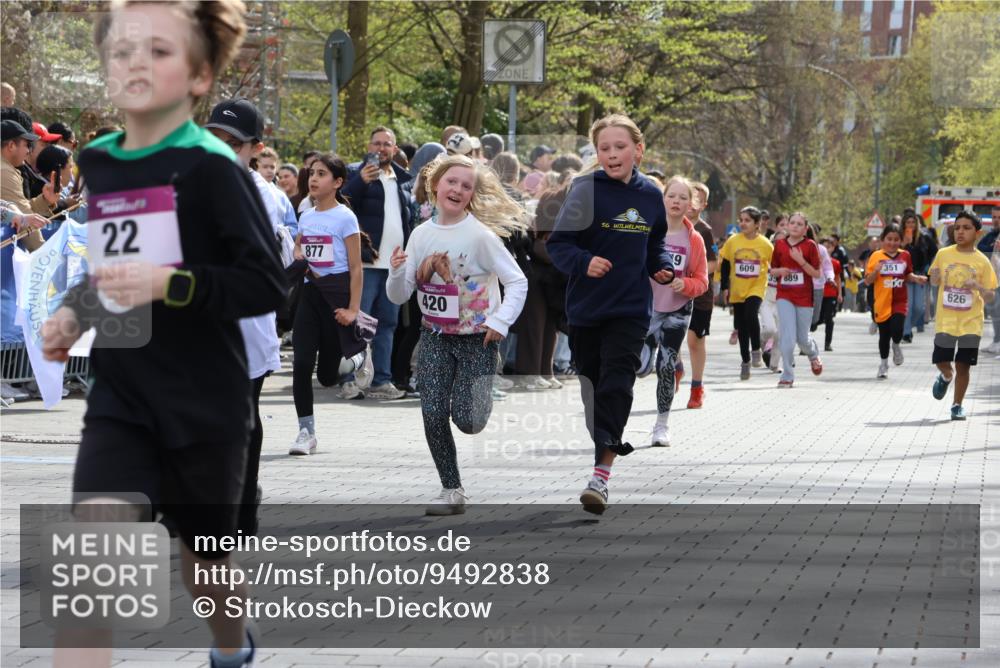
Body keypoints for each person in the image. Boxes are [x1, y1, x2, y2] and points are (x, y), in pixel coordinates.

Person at [41, 4, 284, 668]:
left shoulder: (213, 168)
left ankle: (231, 649)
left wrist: (170, 285)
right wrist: (75, 310)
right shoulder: (102, 161)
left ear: (200, 77)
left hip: (206, 406)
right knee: (94, 548)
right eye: (122, 51)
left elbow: (265, 285)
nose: (135, 64)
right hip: (122, 397)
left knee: (205, 566)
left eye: (158, 51)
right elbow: (116, 271)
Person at [546, 113, 674, 515]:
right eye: (605, 148)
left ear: (639, 150)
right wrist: (585, 262)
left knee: (618, 383)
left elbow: (655, 243)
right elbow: (559, 245)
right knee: (594, 389)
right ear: (597, 153)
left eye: (621, 147)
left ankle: (601, 474)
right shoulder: (585, 190)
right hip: (587, 307)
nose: (613, 154)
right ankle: (602, 449)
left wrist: (662, 264)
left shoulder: (652, 195)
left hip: (631, 307)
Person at [386, 154, 528, 515]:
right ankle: (452, 490)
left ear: (471, 195)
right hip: (433, 336)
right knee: (432, 412)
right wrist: (395, 272)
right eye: (452, 182)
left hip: (477, 339)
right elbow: (400, 295)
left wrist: (500, 321)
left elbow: (517, 281)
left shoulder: (479, 236)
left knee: (468, 420)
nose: (458, 189)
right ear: (436, 185)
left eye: (467, 186)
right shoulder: (420, 234)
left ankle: (480, 399)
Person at [203, 97, 285, 536]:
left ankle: (243, 508)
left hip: (245, 323)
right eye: (214, 137)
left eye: (232, 141)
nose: (221, 146)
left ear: (255, 147)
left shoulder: (263, 195)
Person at [289, 153, 372, 454]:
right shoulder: (306, 215)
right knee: (300, 363)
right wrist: (298, 253)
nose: (313, 178)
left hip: (336, 296)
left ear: (337, 182)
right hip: (311, 295)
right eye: (312, 172)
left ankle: (359, 356)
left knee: (326, 376)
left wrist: (353, 310)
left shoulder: (345, 217)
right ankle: (305, 432)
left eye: (322, 174)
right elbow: (301, 245)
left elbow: (356, 267)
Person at [342, 126, 413, 400]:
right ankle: (351, 380)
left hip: (394, 266)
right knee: (360, 325)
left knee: (387, 325)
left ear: (395, 149)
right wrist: (360, 180)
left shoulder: (403, 179)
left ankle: (380, 381)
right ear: (369, 146)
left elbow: (407, 219)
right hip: (366, 264)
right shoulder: (354, 172)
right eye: (377, 143)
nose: (381, 148)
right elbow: (342, 204)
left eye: (387, 144)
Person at [647, 176, 708, 447]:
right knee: (636, 366)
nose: (677, 201)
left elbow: (703, 281)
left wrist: (686, 284)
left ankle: (662, 425)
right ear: (663, 198)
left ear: (691, 205)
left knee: (666, 366)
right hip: (645, 307)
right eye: (672, 196)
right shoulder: (648, 231)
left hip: (678, 309)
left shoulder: (694, 240)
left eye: (683, 198)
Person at [928, 211, 997, 420]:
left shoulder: (983, 261)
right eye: (957, 227)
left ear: (977, 233)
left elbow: (991, 296)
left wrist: (978, 287)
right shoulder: (944, 254)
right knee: (941, 360)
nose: (960, 231)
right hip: (946, 320)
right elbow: (933, 280)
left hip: (971, 322)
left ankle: (957, 405)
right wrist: (935, 277)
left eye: (966, 228)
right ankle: (946, 376)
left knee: (963, 365)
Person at [864, 223, 927, 379]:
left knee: (897, 328)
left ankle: (897, 344)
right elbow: (867, 281)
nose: (892, 243)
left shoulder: (905, 255)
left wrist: (916, 278)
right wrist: (876, 271)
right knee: (884, 335)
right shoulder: (875, 256)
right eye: (889, 239)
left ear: (901, 240)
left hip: (899, 300)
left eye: (896, 239)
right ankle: (884, 364)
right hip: (882, 301)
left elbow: (907, 274)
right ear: (882, 239)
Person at [769, 212, 823, 387]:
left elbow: (816, 273)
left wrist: (800, 261)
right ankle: (787, 375)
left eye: (800, 224)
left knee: (802, 339)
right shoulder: (779, 245)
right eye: (792, 223)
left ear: (805, 229)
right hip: (784, 295)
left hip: (805, 298)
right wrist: (779, 272)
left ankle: (813, 353)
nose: (795, 226)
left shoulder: (810, 246)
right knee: (788, 337)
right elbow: (772, 269)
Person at [719, 206, 772, 380]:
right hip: (737, 287)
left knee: (751, 314)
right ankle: (745, 361)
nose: (743, 223)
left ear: (757, 224)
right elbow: (726, 265)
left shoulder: (765, 244)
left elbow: (776, 263)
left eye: (747, 220)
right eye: (741, 220)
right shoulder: (733, 241)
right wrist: (724, 287)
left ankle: (756, 348)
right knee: (741, 326)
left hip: (756, 286)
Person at [683, 181, 717, 408]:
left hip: (699, 296)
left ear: (703, 205)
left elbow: (713, 264)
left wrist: (694, 273)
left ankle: (697, 387)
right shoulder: (671, 226)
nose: (692, 204)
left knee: (695, 341)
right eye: (689, 197)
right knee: (669, 337)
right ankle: (675, 368)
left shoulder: (705, 231)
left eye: (698, 199)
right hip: (673, 292)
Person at [901, 210, 937, 342]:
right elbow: (893, 254)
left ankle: (908, 327)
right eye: (907, 222)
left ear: (916, 224)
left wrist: (930, 268)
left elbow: (935, 252)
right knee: (908, 306)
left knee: (919, 308)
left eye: (912, 222)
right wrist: (904, 244)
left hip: (920, 275)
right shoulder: (900, 238)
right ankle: (906, 332)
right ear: (904, 224)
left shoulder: (924, 238)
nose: (910, 225)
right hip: (905, 276)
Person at [812, 238, 842, 352]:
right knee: (815, 320)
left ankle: (827, 344)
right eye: (824, 246)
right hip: (818, 293)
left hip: (830, 294)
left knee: (829, 318)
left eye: (829, 247)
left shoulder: (836, 263)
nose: (826, 249)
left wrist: (839, 293)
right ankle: (805, 342)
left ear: (833, 248)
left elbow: (838, 278)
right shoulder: (814, 260)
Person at [979, 204, 1000, 354]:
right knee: (994, 311)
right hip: (994, 279)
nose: (996, 220)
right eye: (994, 217)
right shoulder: (991, 235)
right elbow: (980, 248)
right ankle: (997, 340)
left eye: (999, 218)